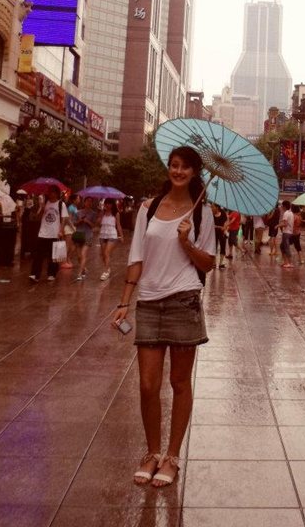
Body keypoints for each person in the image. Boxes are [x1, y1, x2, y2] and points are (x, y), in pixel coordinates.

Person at [112, 145, 215, 488]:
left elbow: (209, 264)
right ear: (168, 168)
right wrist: (124, 302)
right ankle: (151, 452)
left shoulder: (203, 214)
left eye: (186, 167)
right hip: (150, 302)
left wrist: (187, 243)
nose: (179, 171)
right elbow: (136, 257)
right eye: (174, 165)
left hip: (184, 300)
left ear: (195, 173)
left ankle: (171, 456)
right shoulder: (149, 208)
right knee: (147, 385)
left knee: (179, 383)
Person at [29, 185, 68, 282]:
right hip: (43, 233)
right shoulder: (45, 203)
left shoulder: (61, 204)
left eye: (52, 192)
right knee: (38, 255)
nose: (50, 194)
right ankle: (35, 274)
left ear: (56, 193)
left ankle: (52, 274)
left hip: (54, 233)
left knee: (53, 256)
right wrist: (41, 207)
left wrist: (61, 230)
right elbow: (38, 217)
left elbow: (64, 219)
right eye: (49, 192)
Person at [98, 198, 123, 280]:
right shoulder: (103, 212)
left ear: (112, 205)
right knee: (103, 255)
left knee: (106, 253)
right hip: (103, 234)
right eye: (106, 203)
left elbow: (118, 225)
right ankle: (108, 268)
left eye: (109, 203)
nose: (107, 205)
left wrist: (121, 235)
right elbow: (98, 223)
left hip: (112, 234)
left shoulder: (116, 213)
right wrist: (100, 215)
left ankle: (105, 272)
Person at [72, 196, 97, 280]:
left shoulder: (93, 214)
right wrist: (80, 221)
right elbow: (74, 223)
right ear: (84, 202)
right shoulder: (78, 212)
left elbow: (94, 225)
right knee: (79, 256)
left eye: (91, 201)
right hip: (79, 235)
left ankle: (79, 274)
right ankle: (84, 269)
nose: (89, 203)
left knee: (83, 254)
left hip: (88, 235)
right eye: (87, 201)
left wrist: (87, 221)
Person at [278, 200, 294, 269]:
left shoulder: (286, 213)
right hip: (289, 232)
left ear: (284, 206)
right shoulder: (291, 213)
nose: (281, 207)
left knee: (286, 247)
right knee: (282, 246)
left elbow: (285, 224)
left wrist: (277, 226)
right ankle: (285, 262)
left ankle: (289, 263)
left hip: (286, 233)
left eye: (282, 206)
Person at [211, 204, 227, 268]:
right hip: (213, 233)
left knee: (223, 246)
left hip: (222, 233)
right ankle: (214, 263)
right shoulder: (211, 214)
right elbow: (210, 223)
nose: (212, 208)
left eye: (213, 207)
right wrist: (217, 226)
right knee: (214, 247)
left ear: (217, 207)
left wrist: (225, 227)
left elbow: (226, 221)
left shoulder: (223, 212)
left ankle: (221, 263)